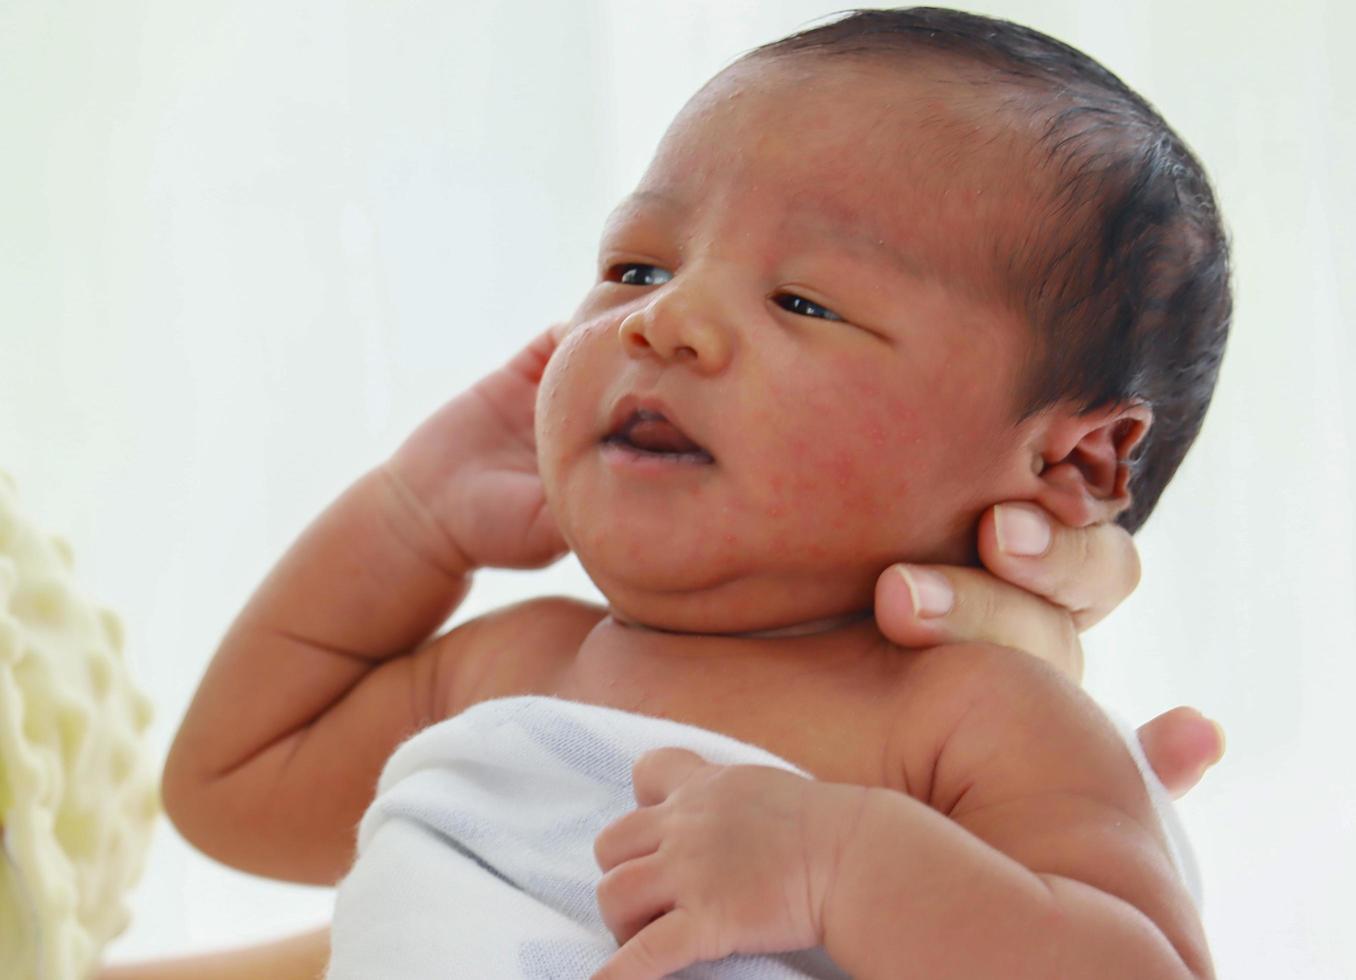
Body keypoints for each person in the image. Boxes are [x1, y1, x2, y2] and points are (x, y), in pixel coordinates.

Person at [152, 7, 1231, 979]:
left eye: (803, 299)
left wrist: (843, 863)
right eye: (638, 267)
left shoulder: (974, 717)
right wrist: (411, 519)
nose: (662, 321)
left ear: (1073, 461)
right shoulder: (518, 669)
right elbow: (230, 787)